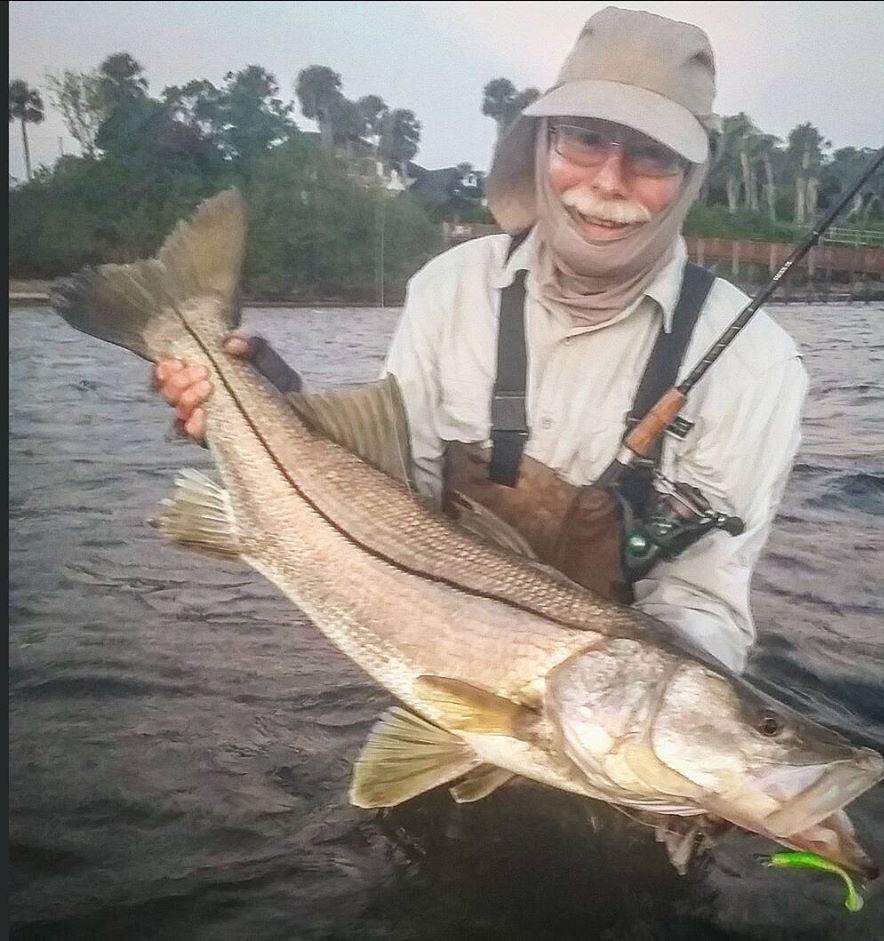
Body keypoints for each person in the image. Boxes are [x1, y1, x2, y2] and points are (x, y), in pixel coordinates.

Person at [154, 7, 806, 674]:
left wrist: (651, 738)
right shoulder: (450, 285)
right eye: (585, 138)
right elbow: (394, 495)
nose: (610, 181)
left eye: (653, 154)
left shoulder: (760, 365)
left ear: (695, 173)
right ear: (541, 142)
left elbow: (705, 607)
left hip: (599, 719)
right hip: (427, 647)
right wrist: (277, 411)